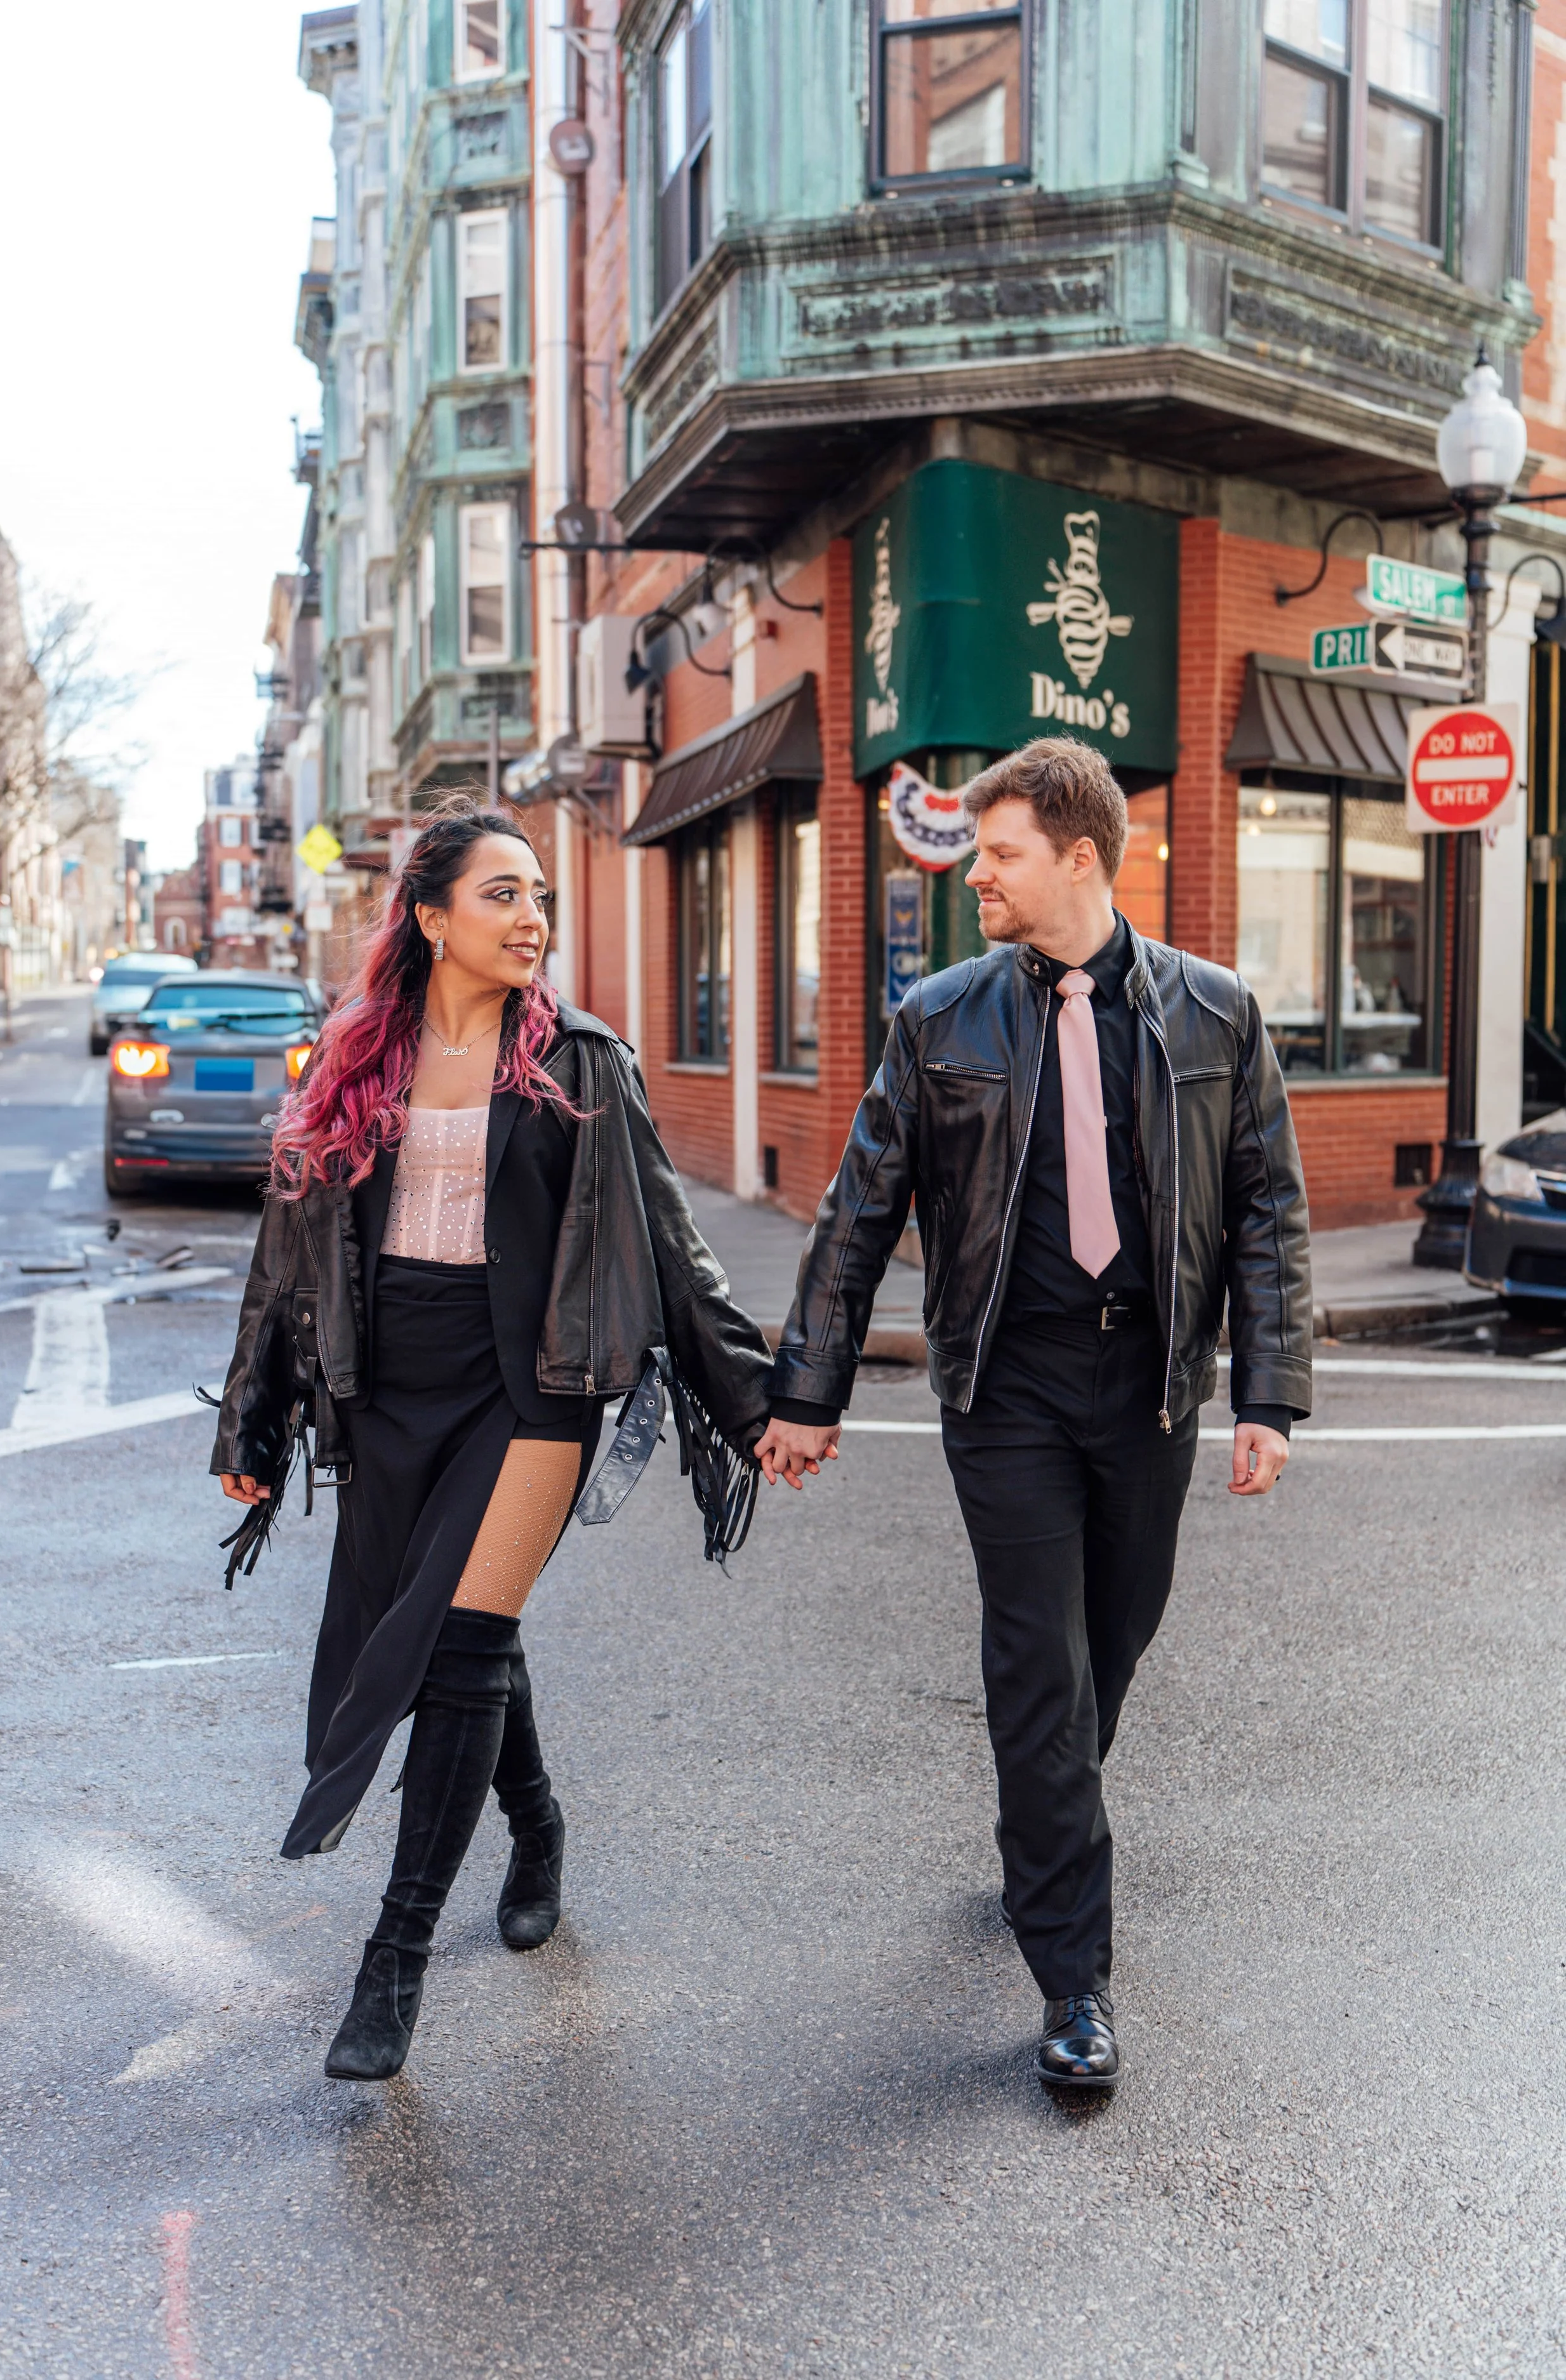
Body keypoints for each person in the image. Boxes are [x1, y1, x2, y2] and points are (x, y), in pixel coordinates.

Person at [755, 737, 1310, 2091]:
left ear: (1075, 857)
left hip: (1149, 1385)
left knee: (1108, 1646)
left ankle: (1041, 1816)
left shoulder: (1213, 1013)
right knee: (1037, 1665)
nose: (971, 876)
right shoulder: (937, 1019)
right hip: (1002, 1387)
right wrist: (807, 1389)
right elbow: (857, 1210)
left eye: (995, 854)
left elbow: (1265, 1209)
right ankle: (1073, 1984)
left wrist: (1269, 1394)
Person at [212, 798, 771, 2082]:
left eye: (539, 899)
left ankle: (393, 1960)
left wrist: (755, 1406)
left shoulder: (581, 1061)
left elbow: (666, 1248)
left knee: (460, 1640)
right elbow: (284, 1262)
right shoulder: (353, 1060)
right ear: (429, 918)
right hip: (389, 1391)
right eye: (502, 896)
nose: (532, 920)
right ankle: (537, 1826)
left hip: (532, 1385)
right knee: (467, 1632)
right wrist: (255, 1419)